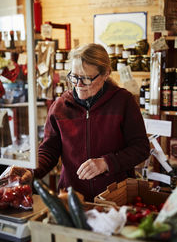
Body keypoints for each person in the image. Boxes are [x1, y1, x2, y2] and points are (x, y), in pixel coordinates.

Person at [13, 43, 150, 202]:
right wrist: (31, 170)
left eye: (86, 79)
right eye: (74, 77)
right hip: (72, 197)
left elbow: (141, 148)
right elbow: (49, 150)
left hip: (115, 197)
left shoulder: (123, 102)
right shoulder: (60, 107)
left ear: (105, 74)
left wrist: (106, 163)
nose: (78, 85)